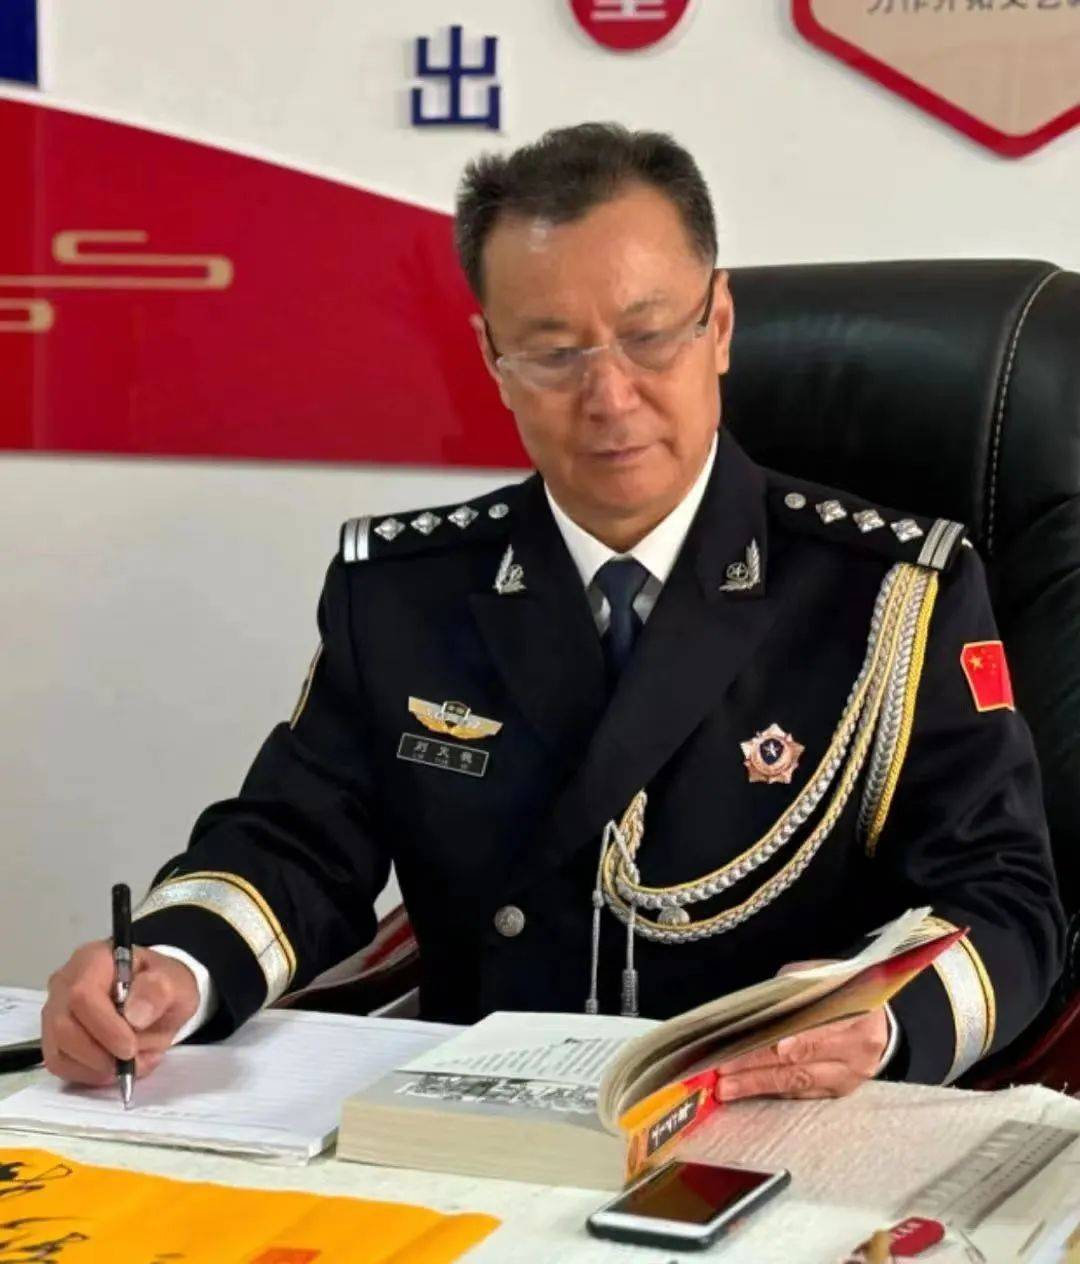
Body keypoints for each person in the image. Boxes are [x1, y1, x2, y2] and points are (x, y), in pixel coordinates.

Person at [42, 123, 1064, 1101]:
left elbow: (1006, 898)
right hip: (478, 1129)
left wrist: (883, 1023)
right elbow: (298, 841)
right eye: (554, 352)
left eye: (649, 337)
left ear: (718, 327)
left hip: (781, 1125)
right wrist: (172, 966)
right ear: (493, 359)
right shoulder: (403, 591)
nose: (610, 396)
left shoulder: (890, 594)